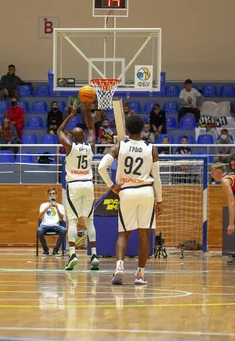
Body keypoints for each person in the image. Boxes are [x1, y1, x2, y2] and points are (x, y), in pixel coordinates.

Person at [98, 115, 163, 285]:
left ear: (127, 129)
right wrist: (160, 200)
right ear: (143, 129)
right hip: (146, 191)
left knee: (123, 234)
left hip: (126, 191)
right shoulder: (151, 148)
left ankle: (119, 267)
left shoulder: (120, 146)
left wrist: (112, 185)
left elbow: (101, 167)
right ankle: (140, 274)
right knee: (144, 234)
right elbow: (157, 177)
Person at [57, 102, 99, 271]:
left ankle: (73, 254)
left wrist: (71, 114)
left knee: (72, 220)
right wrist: (87, 110)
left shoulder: (70, 147)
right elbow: (92, 129)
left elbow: (59, 131)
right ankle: (94, 255)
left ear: (72, 138)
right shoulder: (90, 146)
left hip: (74, 185)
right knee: (90, 220)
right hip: (88, 184)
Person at [37, 188, 67, 256]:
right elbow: (40, 217)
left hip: (55, 225)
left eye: (53, 194)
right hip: (45, 225)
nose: (52, 195)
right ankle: (46, 250)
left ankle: (55, 250)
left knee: (64, 230)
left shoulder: (60, 206)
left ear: (56, 195)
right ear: (48, 196)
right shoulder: (43, 205)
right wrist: (47, 207)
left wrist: (57, 208)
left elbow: (61, 219)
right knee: (39, 230)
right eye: (50, 194)